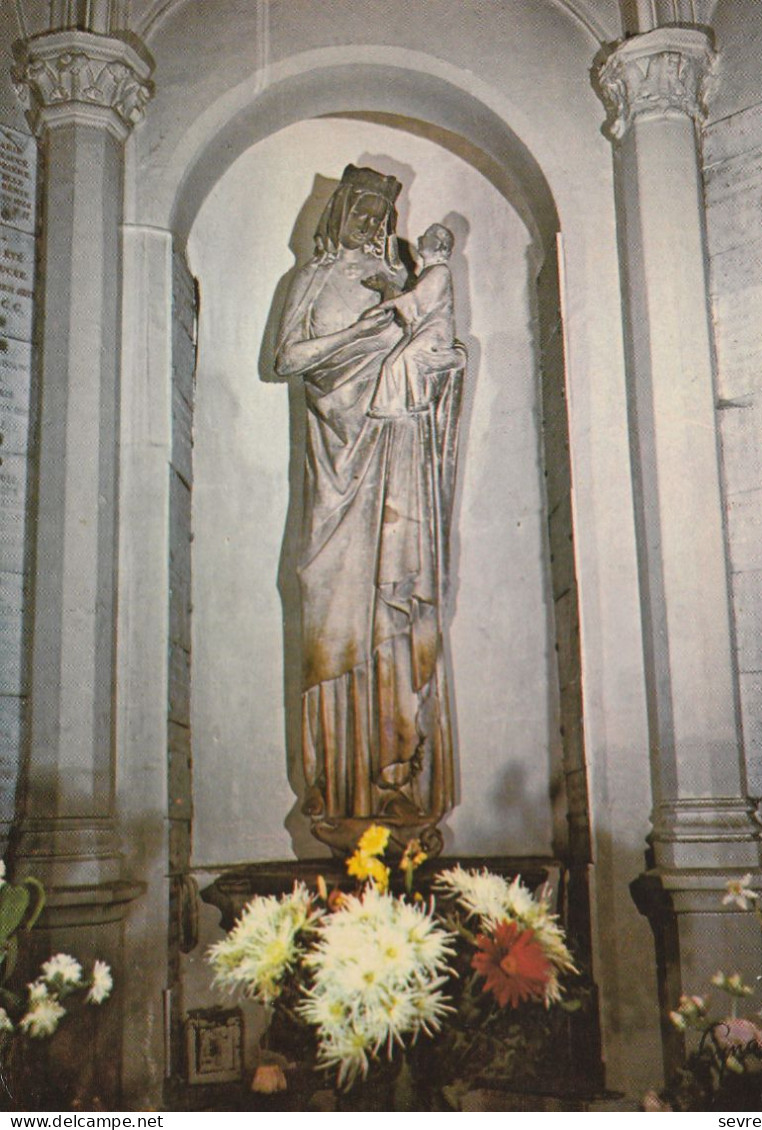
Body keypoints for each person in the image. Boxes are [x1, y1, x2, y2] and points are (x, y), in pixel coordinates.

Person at [274, 166, 465, 855]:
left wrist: (414, 326)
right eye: (359, 209)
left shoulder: (402, 285)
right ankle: (337, 786)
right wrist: (369, 330)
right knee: (328, 614)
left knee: (395, 610)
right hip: (336, 479)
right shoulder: (315, 281)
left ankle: (395, 780)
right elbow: (288, 358)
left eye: (380, 214)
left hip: (395, 467)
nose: (371, 224)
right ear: (338, 213)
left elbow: (438, 355)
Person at [368, 223, 461, 417]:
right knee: (391, 362)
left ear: (440, 246)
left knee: (410, 356)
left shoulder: (440, 271)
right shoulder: (427, 272)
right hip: (420, 329)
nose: (420, 239)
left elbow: (417, 299)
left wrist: (385, 305)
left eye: (426, 237)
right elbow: (413, 300)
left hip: (436, 330)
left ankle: (418, 401)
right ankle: (387, 406)